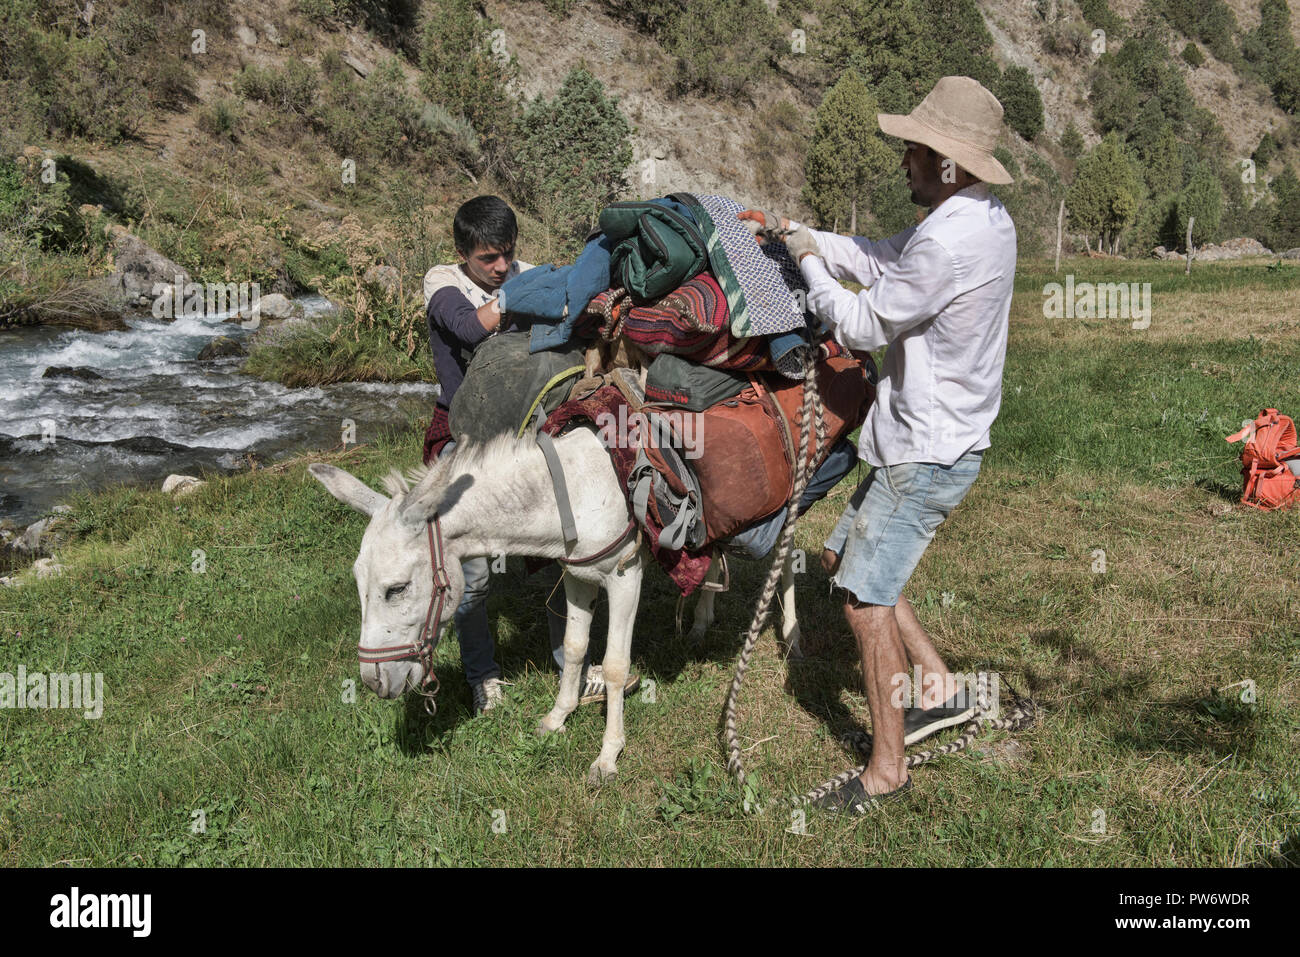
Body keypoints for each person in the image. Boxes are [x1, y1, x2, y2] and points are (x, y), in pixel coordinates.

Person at [739, 76, 1017, 813]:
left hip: (924, 451)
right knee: (844, 560)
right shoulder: (980, 218)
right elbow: (881, 255)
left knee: (864, 603)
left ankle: (885, 770)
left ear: (948, 161)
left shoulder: (952, 244)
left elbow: (861, 327)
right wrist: (808, 237)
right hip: (931, 439)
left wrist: (801, 265)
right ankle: (939, 687)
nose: (905, 162)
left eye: (916, 150)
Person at [422, 196, 638, 714]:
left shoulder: (522, 275)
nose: (499, 269)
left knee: (561, 549)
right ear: (462, 253)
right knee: (471, 571)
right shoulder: (442, 282)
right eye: (487, 260)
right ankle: (482, 676)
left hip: (526, 429)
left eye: (506, 256)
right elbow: (472, 327)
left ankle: (573, 669)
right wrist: (530, 291)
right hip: (466, 433)